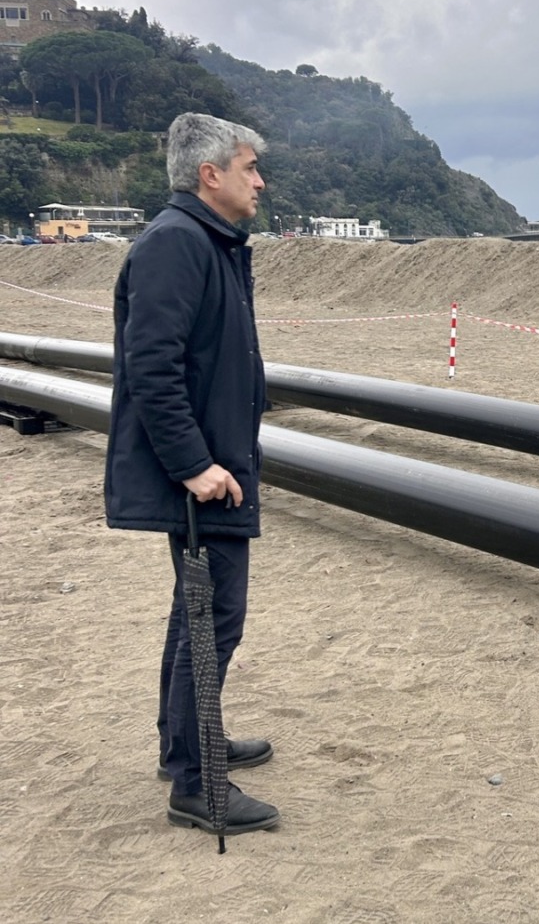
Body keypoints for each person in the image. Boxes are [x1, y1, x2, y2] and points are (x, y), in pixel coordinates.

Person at [105, 112, 279, 836]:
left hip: (220, 466)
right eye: (248, 167)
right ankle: (195, 781)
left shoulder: (211, 242)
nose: (259, 180)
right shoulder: (178, 243)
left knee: (197, 614)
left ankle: (188, 743)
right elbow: (153, 368)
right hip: (203, 479)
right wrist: (195, 465)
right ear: (210, 174)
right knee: (212, 618)